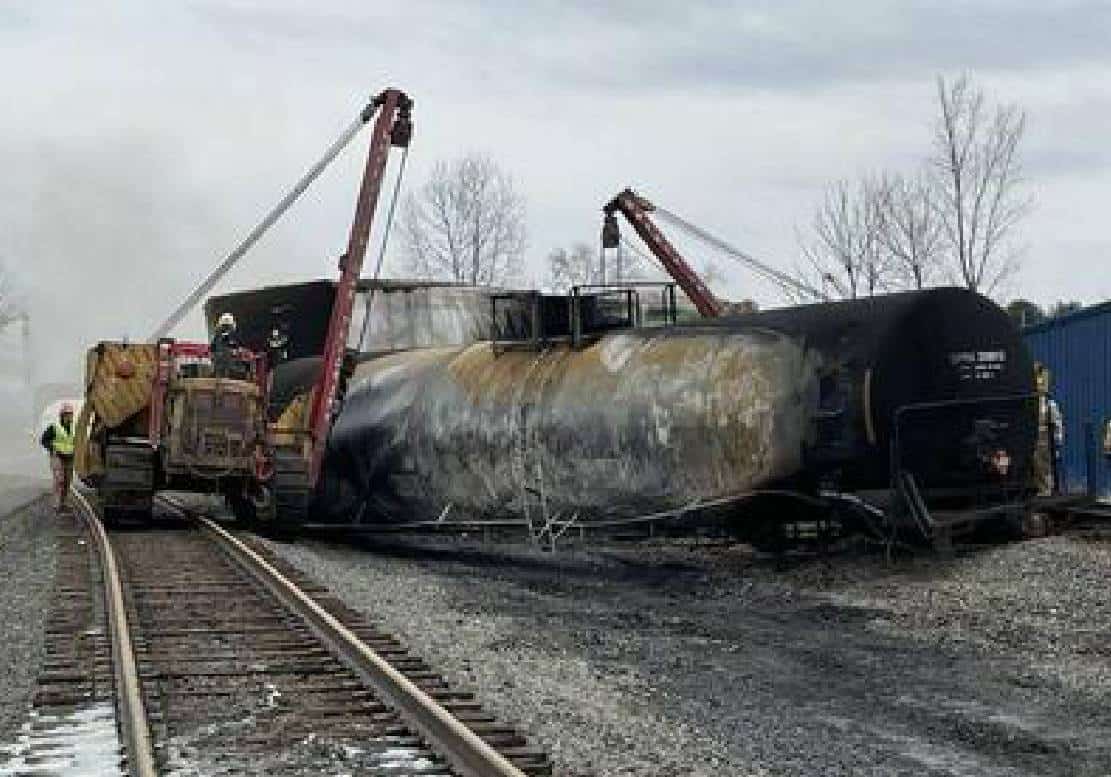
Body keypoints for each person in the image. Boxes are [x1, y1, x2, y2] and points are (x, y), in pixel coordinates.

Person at [40, 402, 76, 513]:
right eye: (67, 414)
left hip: (69, 457)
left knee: (67, 480)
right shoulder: (54, 427)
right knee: (59, 479)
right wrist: (52, 448)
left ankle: (64, 502)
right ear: (62, 415)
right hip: (57, 456)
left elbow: (76, 441)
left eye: (71, 414)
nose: (69, 416)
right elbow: (44, 440)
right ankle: (56, 504)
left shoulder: (74, 427)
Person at [211, 312, 241, 378]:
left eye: (228, 326)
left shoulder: (235, 337)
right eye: (225, 326)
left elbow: (238, 349)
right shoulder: (217, 337)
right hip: (220, 366)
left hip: (232, 367)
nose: (226, 329)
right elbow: (212, 350)